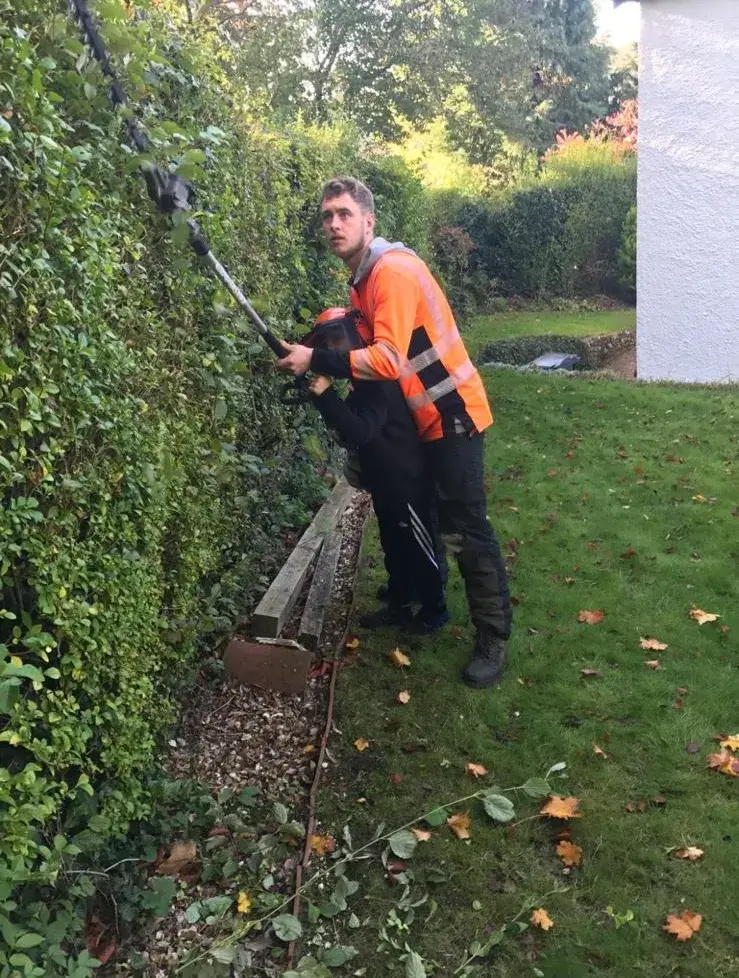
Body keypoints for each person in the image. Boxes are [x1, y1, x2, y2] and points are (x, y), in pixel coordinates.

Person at [277, 176, 512, 687]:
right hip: (423, 421)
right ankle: (418, 602)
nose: (334, 224)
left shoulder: (393, 272)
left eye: (343, 213)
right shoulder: (361, 281)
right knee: (428, 519)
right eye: (327, 216)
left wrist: (315, 359)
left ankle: (493, 638)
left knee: (465, 528)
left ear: (369, 221)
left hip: (453, 415)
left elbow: (387, 360)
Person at [302, 307, 448, 633]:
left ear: (357, 337)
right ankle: (400, 596)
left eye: (338, 338)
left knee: (420, 542)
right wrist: (322, 396)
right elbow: (348, 426)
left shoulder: (381, 381)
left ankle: (433, 608)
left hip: (407, 478)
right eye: (328, 343)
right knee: (393, 539)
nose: (334, 347)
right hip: (385, 479)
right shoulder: (360, 383)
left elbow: (360, 432)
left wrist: (326, 397)